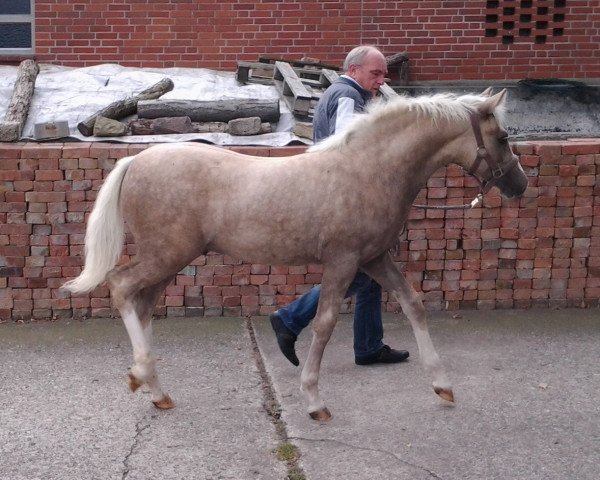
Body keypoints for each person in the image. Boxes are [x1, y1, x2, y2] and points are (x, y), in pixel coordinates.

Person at [270, 45, 410, 367]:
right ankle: (290, 318)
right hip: (342, 201)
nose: (380, 80)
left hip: (334, 193)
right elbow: (347, 145)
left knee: (371, 275)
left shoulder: (340, 92)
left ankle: (368, 346)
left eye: (383, 74)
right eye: (375, 74)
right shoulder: (349, 95)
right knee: (359, 275)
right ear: (354, 71)